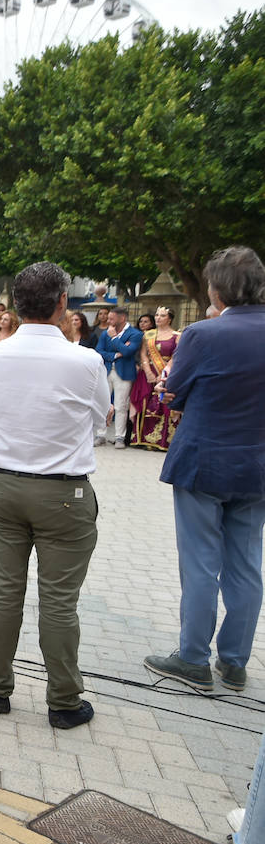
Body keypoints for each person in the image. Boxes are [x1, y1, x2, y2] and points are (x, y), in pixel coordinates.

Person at [0, 262, 106, 729]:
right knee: (59, 602)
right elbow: (101, 422)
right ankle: (64, 700)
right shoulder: (86, 361)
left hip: (2, 484)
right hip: (63, 491)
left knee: (5, 592)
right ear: (62, 303)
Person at [145, 246, 265, 694]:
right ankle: (234, 661)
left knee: (200, 563)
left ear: (216, 289)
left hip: (204, 459)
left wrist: (168, 389)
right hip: (255, 462)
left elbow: (172, 390)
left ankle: (193, 657)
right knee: (247, 564)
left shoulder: (202, 334)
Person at [129, 307, 180, 451]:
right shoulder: (149, 334)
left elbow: (177, 356)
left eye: (162, 315)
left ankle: (163, 440)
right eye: (157, 315)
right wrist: (147, 371)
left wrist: (165, 372)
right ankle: (142, 438)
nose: (158, 318)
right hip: (148, 372)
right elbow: (144, 354)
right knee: (145, 402)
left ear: (169, 318)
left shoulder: (177, 335)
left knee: (164, 404)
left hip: (167, 373)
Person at [95, 306, 143, 449]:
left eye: (111, 318)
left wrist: (115, 339)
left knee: (121, 405)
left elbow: (128, 352)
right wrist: (116, 354)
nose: (108, 320)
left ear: (122, 318)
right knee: (103, 403)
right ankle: (100, 434)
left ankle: (119, 437)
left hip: (124, 373)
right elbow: (99, 351)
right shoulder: (106, 333)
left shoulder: (135, 334)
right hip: (107, 371)